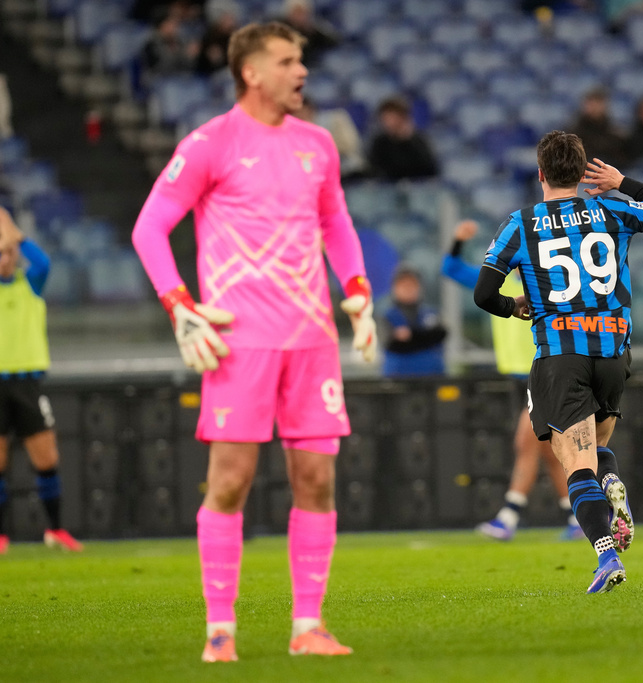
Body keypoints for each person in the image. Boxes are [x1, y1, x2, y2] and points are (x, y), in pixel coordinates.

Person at [131, 22, 378, 662]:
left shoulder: (318, 143)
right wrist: (180, 306)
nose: (302, 71)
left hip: (313, 339)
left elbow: (335, 223)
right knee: (232, 482)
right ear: (252, 72)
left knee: (317, 480)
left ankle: (308, 628)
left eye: (302, 60)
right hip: (241, 342)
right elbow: (149, 229)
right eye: (288, 61)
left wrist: (356, 290)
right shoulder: (212, 143)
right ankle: (220, 632)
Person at [474, 131, 643, 593]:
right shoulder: (612, 209)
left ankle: (606, 554)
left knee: (574, 462)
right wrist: (622, 182)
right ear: (582, 170)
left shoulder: (522, 223)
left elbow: (484, 293)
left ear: (540, 173)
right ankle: (612, 484)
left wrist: (515, 307)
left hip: (560, 353)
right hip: (613, 351)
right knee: (595, 452)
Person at [440, 219, 583, 541]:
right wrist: (458, 240)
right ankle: (576, 518)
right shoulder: (501, 287)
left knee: (525, 445)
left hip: (542, 375)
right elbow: (449, 267)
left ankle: (508, 516)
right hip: (519, 379)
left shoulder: (553, 287)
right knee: (547, 452)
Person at [0, 210, 83, 556]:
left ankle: (55, 529)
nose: (5, 258)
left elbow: (43, 260)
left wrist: (13, 232)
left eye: (8, 252)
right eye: (0, 252)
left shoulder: (29, 283)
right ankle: (1, 536)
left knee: (47, 458)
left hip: (29, 382)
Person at [380, 267, 447, 378]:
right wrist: (424, 337)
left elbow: (440, 333)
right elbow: (390, 343)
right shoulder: (387, 316)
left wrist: (410, 335)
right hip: (397, 378)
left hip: (432, 378)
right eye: (404, 285)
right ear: (395, 288)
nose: (408, 289)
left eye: (412, 284)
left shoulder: (431, 313)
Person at [367, 97, 439, 181]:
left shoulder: (419, 141)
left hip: (417, 188)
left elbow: (431, 169)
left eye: (392, 116)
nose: (388, 121)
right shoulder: (379, 142)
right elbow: (374, 170)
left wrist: (407, 139)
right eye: (385, 117)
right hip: (387, 188)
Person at [569, 87, 627, 170]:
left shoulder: (615, 135)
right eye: (591, 102)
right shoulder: (573, 134)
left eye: (598, 102)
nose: (595, 107)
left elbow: (621, 161)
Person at [278, 0, 337, 66]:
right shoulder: (279, 28)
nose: (299, 16)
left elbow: (333, 41)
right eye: (296, 12)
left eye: (302, 13)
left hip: (308, 66)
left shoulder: (312, 30)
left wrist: (311, 30)